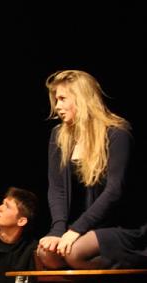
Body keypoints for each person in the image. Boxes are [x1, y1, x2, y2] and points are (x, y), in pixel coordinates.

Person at [37, 70, 144, 270]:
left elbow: (114, 191)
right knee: (46, 254)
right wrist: (58, 229)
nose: (57, 106)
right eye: (56, 100)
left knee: (74, 253)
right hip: (81, 227)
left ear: (82, 98)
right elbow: (57, 189)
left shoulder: (117, 132)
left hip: (120, 226)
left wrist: (76, 230)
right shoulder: (59, 135)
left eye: (62, 99)